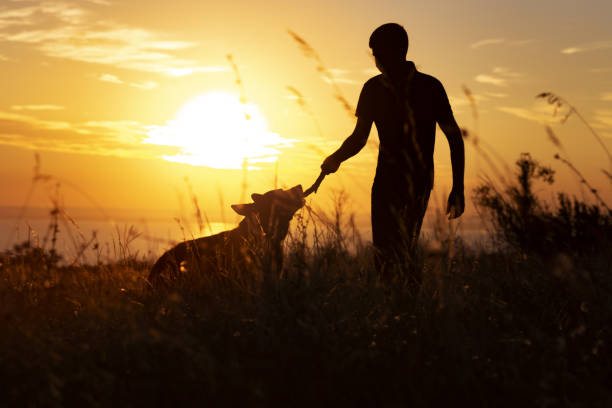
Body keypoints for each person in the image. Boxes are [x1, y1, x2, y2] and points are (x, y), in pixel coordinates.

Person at [321, 23, 465, 283]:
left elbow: (454, 137)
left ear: (399, 51)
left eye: (379, 53)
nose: (376, 60)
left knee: (403, 252)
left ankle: (408, 313)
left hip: (417, 183)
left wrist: (458, 188)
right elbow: (359, 138)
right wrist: (335, 159)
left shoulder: (430, 87)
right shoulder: (372, 88)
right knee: (384, 257)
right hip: (384, 183)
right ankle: (397, 312)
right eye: (374, 54)